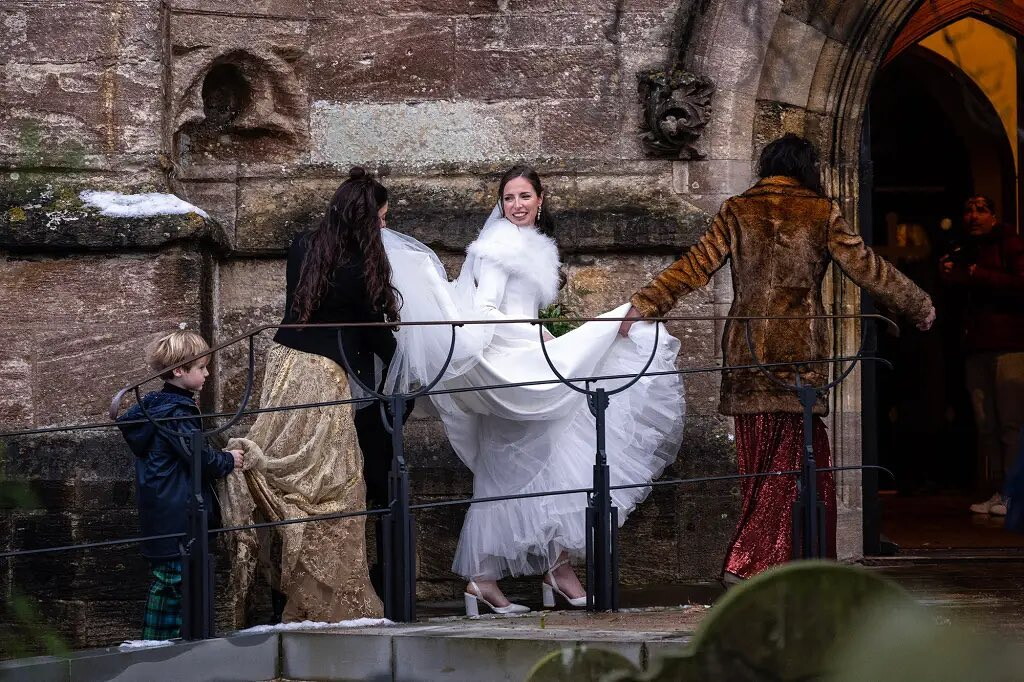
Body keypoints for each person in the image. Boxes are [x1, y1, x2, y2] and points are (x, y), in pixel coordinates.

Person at [620, 134, 935, 581]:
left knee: (761, 468)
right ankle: (751, 564)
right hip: (798, 354)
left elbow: (694, 265)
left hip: (746, 352)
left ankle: (773, 568)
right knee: (798, 465)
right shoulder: (820, 211)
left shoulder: (738, 210)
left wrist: (645, 304)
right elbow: (867, 268)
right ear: (807, 167)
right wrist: (918, 304)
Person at [382, 165, 686, 614]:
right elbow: (487, 310)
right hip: (509, 367)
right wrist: (515, 341)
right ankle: (495, 579)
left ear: (540, 200)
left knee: (545, 463)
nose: (517, 205)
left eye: (524, 196)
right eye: (509, 198)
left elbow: (518, 309)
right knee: (512, 469)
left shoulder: (532, 244)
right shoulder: (500, 246)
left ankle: (543, 574)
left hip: (525, 357)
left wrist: (539, 334)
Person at [219, 167, 398, 624]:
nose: (383, 226)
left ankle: (285, 593)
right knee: (334, 487)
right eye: (380, 218)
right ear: (365, 219)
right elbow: (372, 331)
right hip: (321, 377)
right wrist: (404, 361)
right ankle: (322, 602)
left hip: (284, 366)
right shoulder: (360, 266)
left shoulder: (303, 245)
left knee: (288, 476)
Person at [117, 330, 243, 640]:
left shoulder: (159, 406)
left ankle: (169, 646)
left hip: (163, 507)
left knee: (175, 582)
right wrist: (228, 460)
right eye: (201, 367)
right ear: (178, 371)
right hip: (177, 511)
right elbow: (197, 457)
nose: (207, 374)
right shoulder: (176, 413)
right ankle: (156, 648)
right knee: (173, 582)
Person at [940, 196, 1024, 516]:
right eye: (968, 210)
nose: (973, 216)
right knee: (986, 424)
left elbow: (1020, 283)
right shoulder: (964, 248)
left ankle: (1014, 494)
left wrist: (978, 273)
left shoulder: (1010, 243)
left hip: (1009, 345)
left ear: (993, 216)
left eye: (981, 210)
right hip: (976, 347)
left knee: (1010, 424)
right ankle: (998, 490)